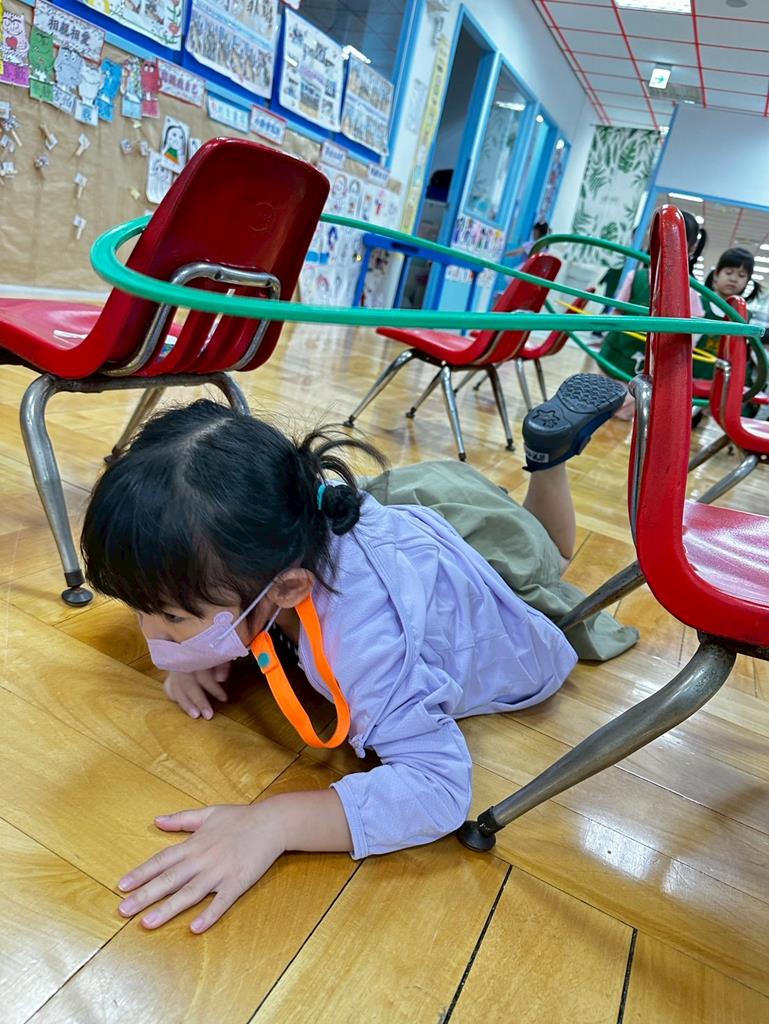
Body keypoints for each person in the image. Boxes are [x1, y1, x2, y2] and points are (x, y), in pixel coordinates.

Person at [80, 374, 635, 935]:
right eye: (141, 608)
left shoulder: (365, 644)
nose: (151, 633)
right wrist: (191, 649)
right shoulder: (263, 528)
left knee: (550, 550)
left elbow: (438, 789)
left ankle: (548, 458)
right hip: (422, 505)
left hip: (492, 560)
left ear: (287, 589)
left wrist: (271, 824)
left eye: (173, 618)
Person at [599, 210, 707, 381]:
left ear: (691, 248)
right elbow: (618, 311)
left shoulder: (689, 289)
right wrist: (607, 333)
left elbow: (694, 329)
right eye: (663, 240)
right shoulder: (636, 277)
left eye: (677, 243)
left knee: (638, 397)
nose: (668, 248)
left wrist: (679, 359)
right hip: (614, 357)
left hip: (654, 369)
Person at [694, 247, 762, 382]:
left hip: (723, 382)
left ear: (747, 282)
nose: (734, 279)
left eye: (741, 276)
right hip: (692, 375)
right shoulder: (699, 304)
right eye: (729, 272)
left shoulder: (745, 315)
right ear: (716, 275)